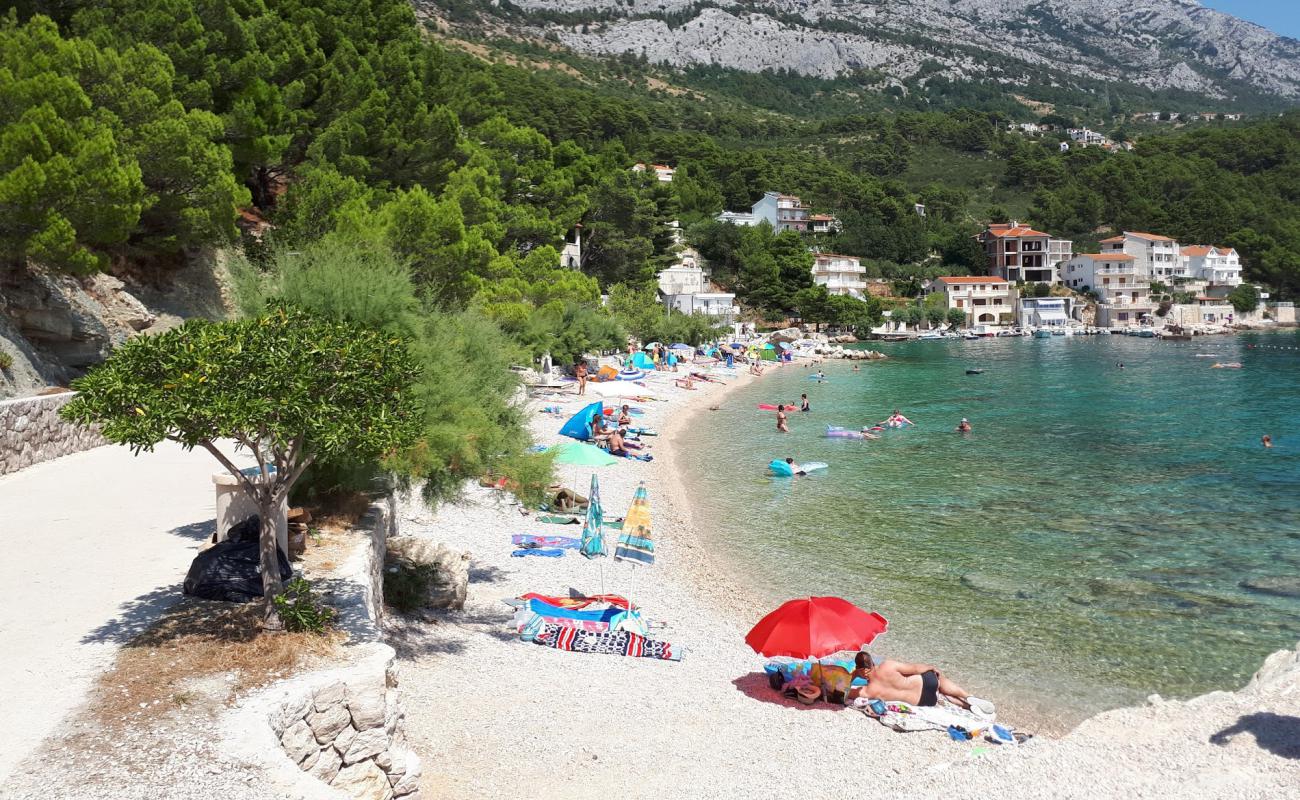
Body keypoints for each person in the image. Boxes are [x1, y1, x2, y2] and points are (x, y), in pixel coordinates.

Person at [849, 651, 993, 714]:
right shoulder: (888, 665)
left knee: (939, 695)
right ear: (872, 663)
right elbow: (914, 668)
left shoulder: (868, 692)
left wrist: (854, 674)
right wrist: (930, 667)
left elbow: (846, 691)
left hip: (924, 701)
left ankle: (966, 706)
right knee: (939, 681)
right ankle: (967, 696)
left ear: (862, 670)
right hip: (926, 682)